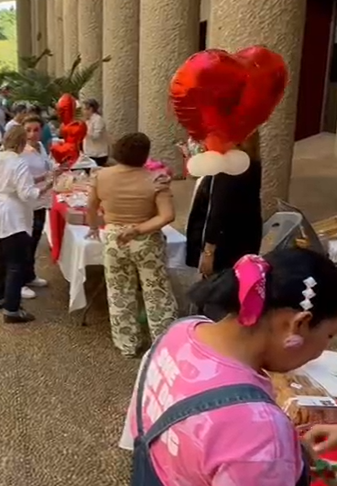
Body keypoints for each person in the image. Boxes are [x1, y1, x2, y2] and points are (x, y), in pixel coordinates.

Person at [119, 248, 337, 485]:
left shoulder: (180, 332)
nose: (321, 351)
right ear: (299, 324)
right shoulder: (260, 433)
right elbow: (246, 443)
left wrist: (286, 454)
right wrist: (274, 454)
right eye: (329, 335)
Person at [86, 132, 177, 357]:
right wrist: (138, 229)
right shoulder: (156, 179)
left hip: (115, 237)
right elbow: (167, 215)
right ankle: (163, 345)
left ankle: (127, 344)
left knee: (119, 291)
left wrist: (95, 227)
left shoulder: (101, 176)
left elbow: (91, 208)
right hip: (146, 239)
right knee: (156, 292)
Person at [0, 126, 51, 323]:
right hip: (12, 216)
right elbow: (27, 194)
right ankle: (12, 308)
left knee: (0, 259)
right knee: (15, 263)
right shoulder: (18, 162)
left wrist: (37, 179)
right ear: (21, 142)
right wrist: (46, 187)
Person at [186, 131, 263, 277]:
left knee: (219, 284)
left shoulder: (228, 168)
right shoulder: (251, 163)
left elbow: (217, 211)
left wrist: (209, 251)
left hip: (224, 243)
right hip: (245, 236)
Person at [19, 117, 52, 299]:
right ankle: (20, 281)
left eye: (36, 129)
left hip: (41, 200)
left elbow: (46, 167)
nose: (32, 134)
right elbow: (21, 180)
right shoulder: (21, 152)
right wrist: (45, 178)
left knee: (35, 239)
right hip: (28, 202)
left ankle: (29, 274)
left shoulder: (40, 147)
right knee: (25, 242)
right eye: (28, 130)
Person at [82, 99, 110, 166]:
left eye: (85, 109)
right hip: (89, 153)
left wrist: (83, 132)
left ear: (91, 109)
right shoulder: (87, 120)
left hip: (98, 155)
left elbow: (96, 136)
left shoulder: (98, 120)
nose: (83, 111)